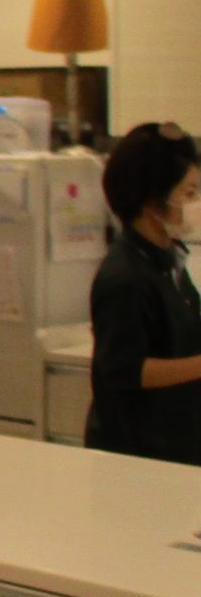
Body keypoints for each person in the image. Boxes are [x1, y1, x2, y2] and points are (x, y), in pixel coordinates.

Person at [86, 122, 201, 465]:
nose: (195, 203)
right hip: (137, 457)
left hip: (177, 445)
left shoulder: (168, 260)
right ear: (153, 203)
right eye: (189, 193)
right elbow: (125, 369)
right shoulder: (125, 277)